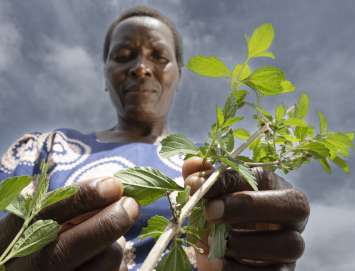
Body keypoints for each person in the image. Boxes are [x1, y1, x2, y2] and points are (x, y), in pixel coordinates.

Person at [0, 5, 309, 271]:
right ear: (106, 75)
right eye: (123, 56)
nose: (141, 68)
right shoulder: (48, 148)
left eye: (159, 56)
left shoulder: (210, 165)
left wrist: (259, 248)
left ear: (179, 76)